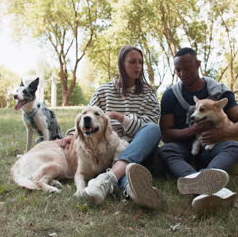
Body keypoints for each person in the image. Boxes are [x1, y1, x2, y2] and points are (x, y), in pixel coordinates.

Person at [58, 45, 162, 209]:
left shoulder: (149, 92)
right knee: (122, 160)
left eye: (140, 62)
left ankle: (106, 180)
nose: (137, 66)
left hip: (137, 146)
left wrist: (121, 118)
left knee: (153, 130)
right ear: (122, 64)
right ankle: (130, 189)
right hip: (108, 149)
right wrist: (72, 134)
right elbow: (88, 116)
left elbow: (152, 121)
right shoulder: (103, 90)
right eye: (132, 61)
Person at [158, 47, 238, 213]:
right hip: (184, 147)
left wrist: (220, 133)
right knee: (166, 150)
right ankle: (205, 183)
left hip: (213, 145)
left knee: (235, 147)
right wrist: (193, 130)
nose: (182, 73)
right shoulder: (170, 95)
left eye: (187, 68)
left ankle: (201, 181)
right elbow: (166, 134)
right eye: (178, 70)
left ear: (198, 64)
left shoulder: (219, 91)